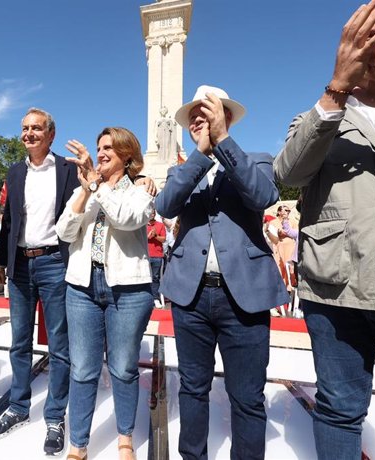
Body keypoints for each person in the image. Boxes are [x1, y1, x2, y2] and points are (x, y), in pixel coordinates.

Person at [273, 2, 375, 457]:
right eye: (370, 32)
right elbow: (288, 174)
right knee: (338, 410)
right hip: (335, 292)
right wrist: (337, 90)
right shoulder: (321, 114)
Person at [155, 85, 288, 459]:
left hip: (243, 297)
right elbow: (165, 205)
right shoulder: (183, 170)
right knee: (193, 388)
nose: (200, 120)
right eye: (194, 116)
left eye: (208, 113)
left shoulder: (256, 159)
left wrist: (223, 143)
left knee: (246, 395)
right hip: (190, 296)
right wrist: (199, 155)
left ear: (226, 117)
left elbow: (262, 196)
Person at [56, 127, 153, 460]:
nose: (101, 153)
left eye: (108, 148)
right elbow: (64, 232)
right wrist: (85, 192)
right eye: (99, 148)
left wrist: (97, 186)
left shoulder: (140, 189)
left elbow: (127, 219)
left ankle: (125, 437)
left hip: (128, 289)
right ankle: (78, 444)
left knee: (123, 367)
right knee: (82, 369)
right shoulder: (89, 190)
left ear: (127, 155)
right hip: (82, 286)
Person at [0, 107, 79, 456]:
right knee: (18, 342)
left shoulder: (68, 170)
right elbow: (9, 220)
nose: (29, 134)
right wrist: (2, 263)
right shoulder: (14, 172)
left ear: (51, 134)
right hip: (20, 266)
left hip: (55, 261)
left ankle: (55, 416)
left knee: (59, 344)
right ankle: (18, 406)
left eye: (37, 128)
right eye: (25, 128)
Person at [146, 210, 166, 308]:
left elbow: (163, 239)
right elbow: (139, 240)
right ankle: (146, 299)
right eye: (150, 213)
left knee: (155, 278)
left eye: (153, 213)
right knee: (145, 278)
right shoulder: (142, 225)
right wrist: (148, 237)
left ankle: (156, 298)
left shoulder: (160, 225)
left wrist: (155, 236)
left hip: (157, 256)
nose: (151, 214)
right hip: (145, 256)